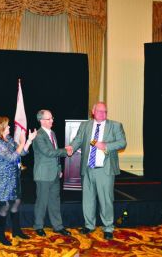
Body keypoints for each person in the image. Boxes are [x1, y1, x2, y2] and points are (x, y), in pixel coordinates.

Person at [67, 102, 127, 240]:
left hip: (104, 170)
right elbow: (78, 140)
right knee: (88, 199)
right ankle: (89, 225)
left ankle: (108, 228)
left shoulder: (115, 125)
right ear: (93, 111)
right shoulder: (85, 125)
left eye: (105, 111)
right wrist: (70, 148)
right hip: (87, 168)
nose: (103, 114)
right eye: (100, 111)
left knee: (106, 200)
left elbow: (122, 142)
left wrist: (106, 145)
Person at [0, 116, 37, 245]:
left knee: (17, 201)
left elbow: (22, 153)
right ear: (0, 128)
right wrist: (21, 143)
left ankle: (16, 230)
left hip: (14, 177)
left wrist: (29, 141)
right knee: (6, 205)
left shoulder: (8, 139)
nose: (9, 127)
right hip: (2, 180)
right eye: (7, 125)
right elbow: (12, 157)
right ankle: (0, 235)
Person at [32, 109, 71, 237]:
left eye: (52, 118)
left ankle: (58, 226)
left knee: (55, 201)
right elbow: (48, 152)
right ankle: (38, 226)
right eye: (49, 119)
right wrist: (65, 151)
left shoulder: (52, 133)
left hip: (54, 173)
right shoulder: (38, 135)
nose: (52, 120)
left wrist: (59, 169)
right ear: (42, 121)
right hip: (43, 174)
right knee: (42, 201)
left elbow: (55, 155)